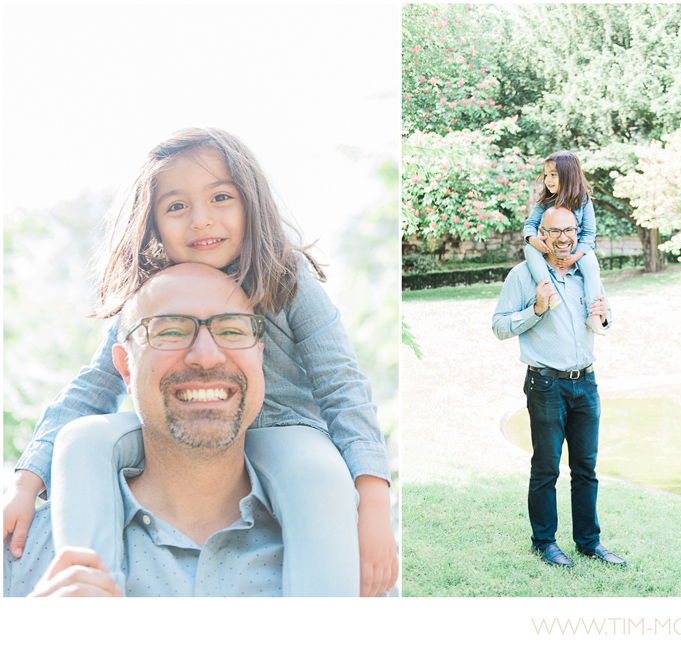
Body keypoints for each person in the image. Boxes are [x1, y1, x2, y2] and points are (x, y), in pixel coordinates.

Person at [3, 128, 397, 597]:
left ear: (251, 204)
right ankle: (90, 588)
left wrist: (373, 505)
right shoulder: (149, 296)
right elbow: (93, 386)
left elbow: (342, 386)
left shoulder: (286, 278)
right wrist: (26, 482)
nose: (200, 221)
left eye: (221, 197)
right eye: (176, 206)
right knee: (81, 438)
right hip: (173, 426)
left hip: (287, 434)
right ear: (151, 223)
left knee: (318, 471)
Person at [5, 264, 291, 596]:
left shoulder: (352, 554)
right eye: (170, 331)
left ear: (259, 355)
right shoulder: (22, 552)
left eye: (231, 331)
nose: (207, 356)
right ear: (126, 367)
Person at [492, 205, 626, 568]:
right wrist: (535, 309)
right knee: (547, 467)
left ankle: (589, 542)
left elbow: (604, 316)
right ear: (542, 236)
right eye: (554, 232)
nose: (563, 238)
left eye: (570, 230)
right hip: (545, 385)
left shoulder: (588, 273)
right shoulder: (523, 276)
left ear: (577, 232)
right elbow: (500, 326)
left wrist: (605, 315)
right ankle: (545, 542)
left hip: (587, 383)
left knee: (586, 468)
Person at [523, 151, 605, 336]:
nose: (548, 180)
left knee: (591, 265)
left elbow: (589, 234)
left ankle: (593, 314)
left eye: (553, 175)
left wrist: (575, 257)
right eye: (546, 175)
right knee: (529, 251)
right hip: (549, 246)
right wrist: (532, 239)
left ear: (568, 176)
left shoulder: (583, 201)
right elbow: (530, 225)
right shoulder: (545, 201)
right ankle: (550, 294)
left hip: (577, 248)